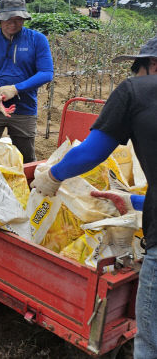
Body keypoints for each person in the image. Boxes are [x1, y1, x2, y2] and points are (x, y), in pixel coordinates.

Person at [32, 36, 157, 359]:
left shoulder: (136, 91)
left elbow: (91, 153)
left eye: (138, 69)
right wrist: (134, 202)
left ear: (152, 64)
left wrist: (52, 176)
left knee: (150, 342)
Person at [0, 0, 53, 163]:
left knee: (25, 159)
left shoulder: (37, 40)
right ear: (0, 20)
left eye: (18, 19)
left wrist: (16, 88)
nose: (12, 23)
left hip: (24, 108)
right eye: (7, 18)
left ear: (24, 19)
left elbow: (46, 73)